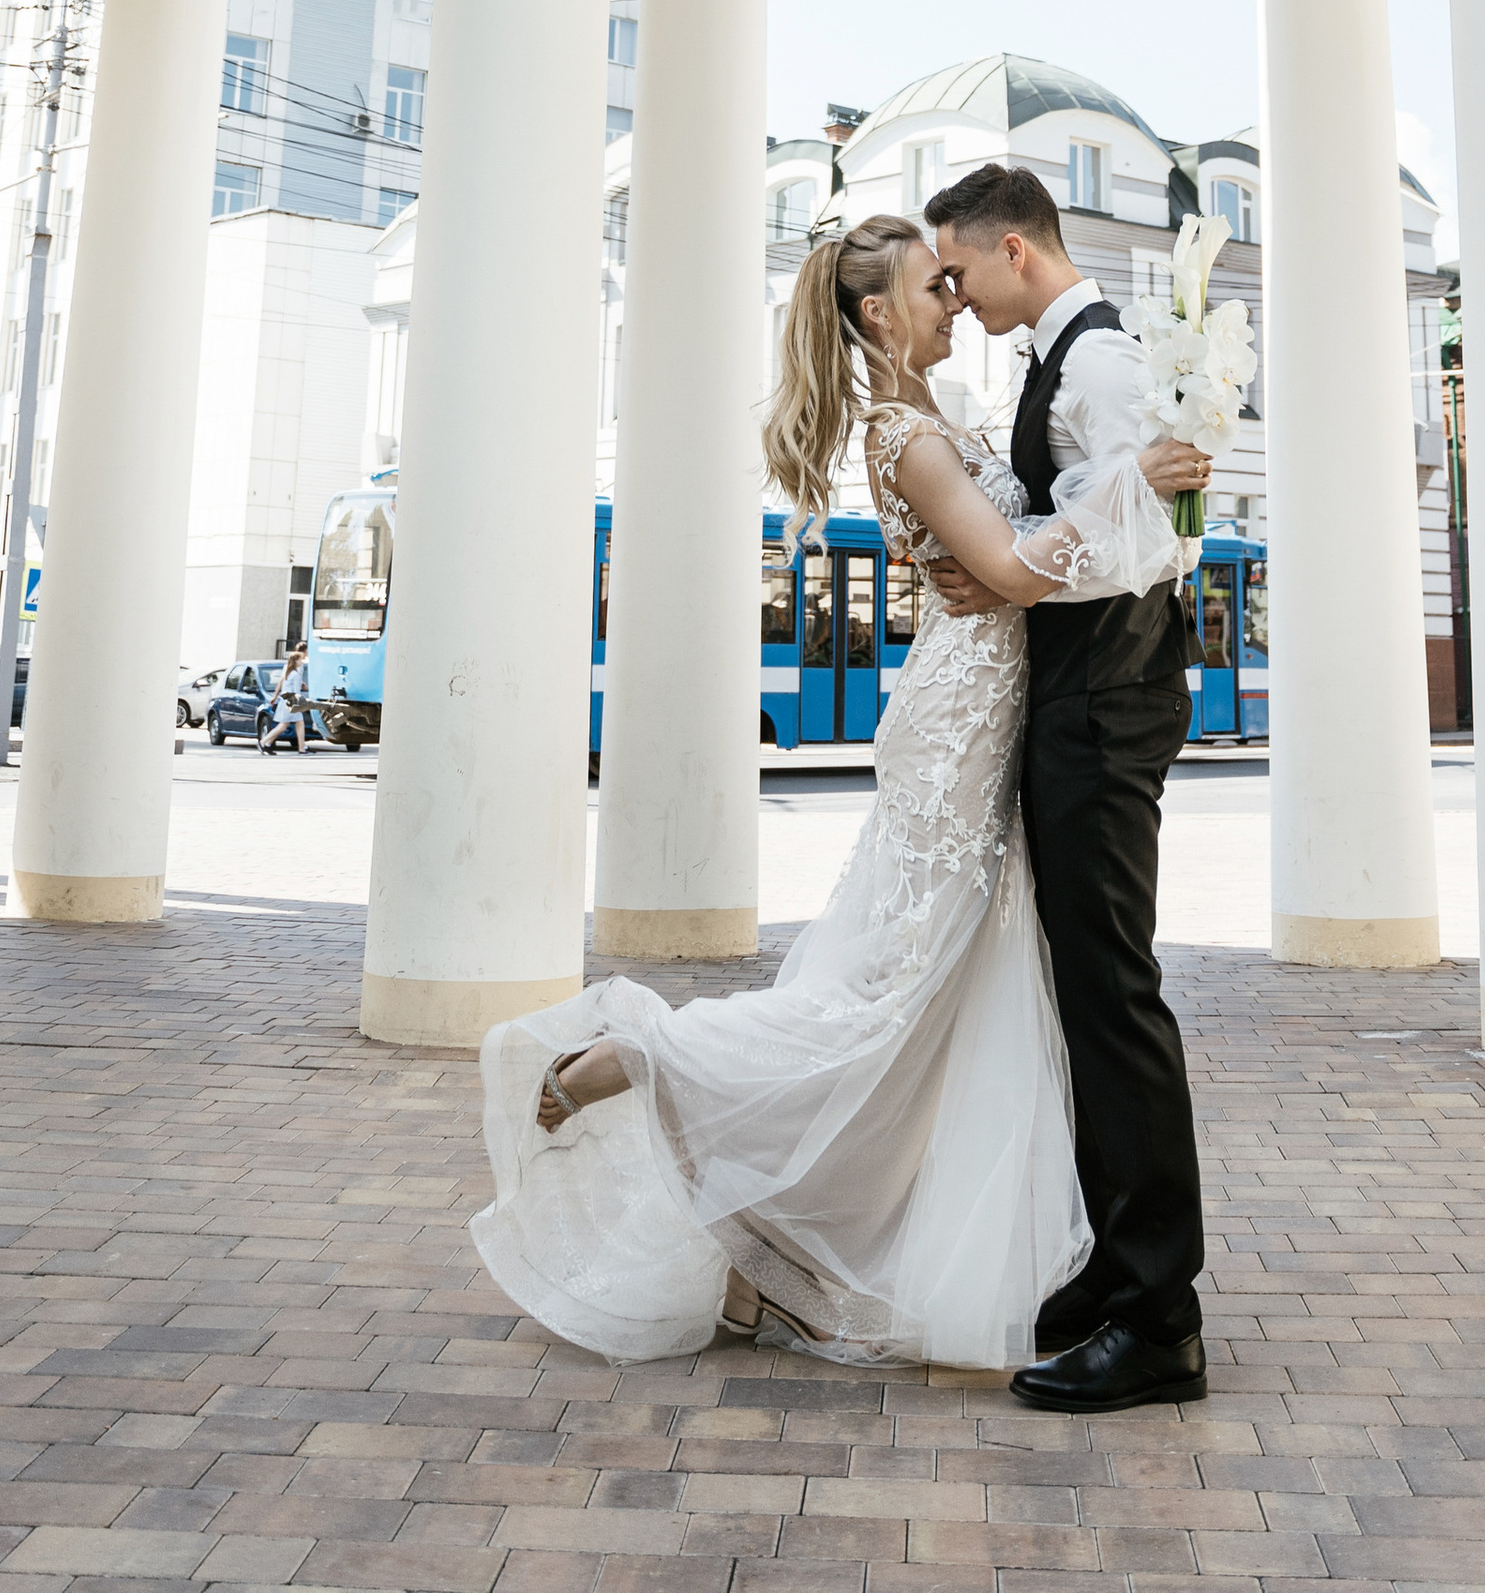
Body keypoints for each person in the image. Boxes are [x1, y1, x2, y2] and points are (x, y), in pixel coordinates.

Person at [468, 211, 1206, 1377]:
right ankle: (633, 1056)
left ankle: (788, 1251)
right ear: (878, 316)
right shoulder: (905, 433)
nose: (953, 300)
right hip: (959, 724)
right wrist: (1135, 487)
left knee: (917, 993)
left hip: (988, 704)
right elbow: (1011, 571)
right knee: (881, 991)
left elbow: (1005, 560)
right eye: (933, 286)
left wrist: (1065, 519)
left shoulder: (939, 419)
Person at [924, 161, 1211, 1418]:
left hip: (1104, 704)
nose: (955, 292)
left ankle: (1159, 1319)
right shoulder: (1058, 356)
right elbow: (1107, 506)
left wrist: (1006, 574)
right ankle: (1118, 1273)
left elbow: (1151, 536)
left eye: (960, 269)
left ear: (1016, 253)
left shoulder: (1092, 363)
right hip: (1077, 704)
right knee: (1089, 991)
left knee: (1112, 995)